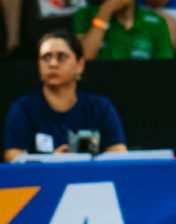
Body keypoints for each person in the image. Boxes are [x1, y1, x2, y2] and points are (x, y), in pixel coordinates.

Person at [3, 28, 127, 161]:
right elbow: (12, 156)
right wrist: (53, 162)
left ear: (80, 65)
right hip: (43, 175)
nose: (53, 64)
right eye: (46, 57)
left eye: (61, 57)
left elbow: (119, 152)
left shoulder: (100, 107)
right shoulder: (23, 108)